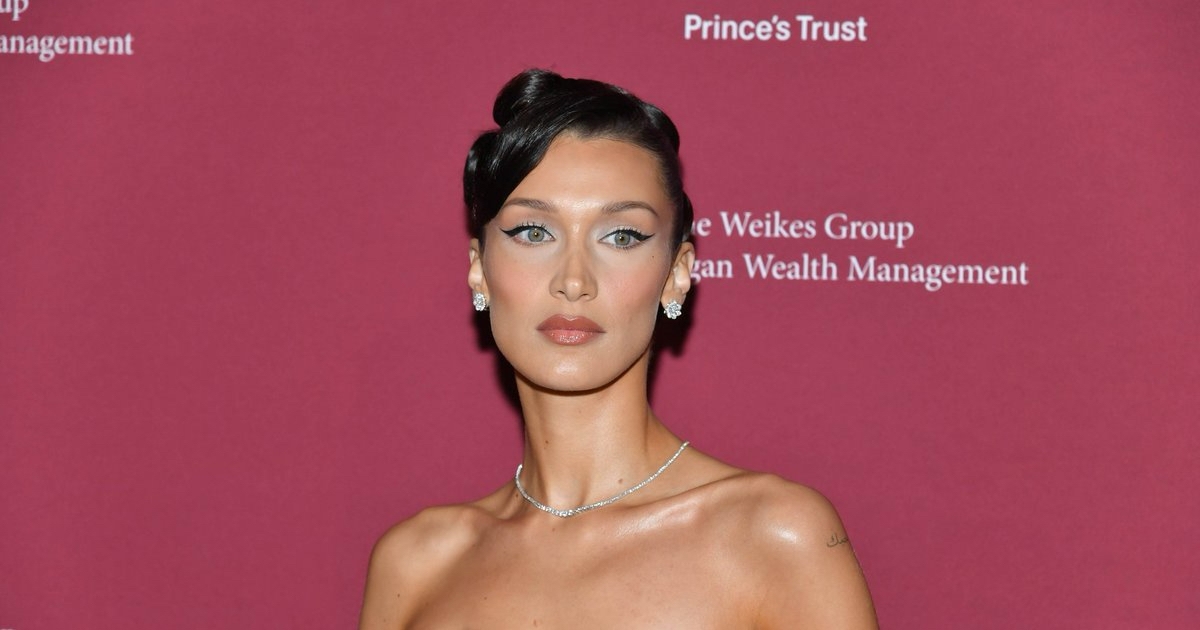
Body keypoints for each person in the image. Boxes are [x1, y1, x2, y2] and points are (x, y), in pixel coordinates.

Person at [359, 69, 878, 629]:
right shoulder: (416, 565)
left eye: (621, 236)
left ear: (676, 275)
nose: (573, 280)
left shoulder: (772, 538)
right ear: (479, 269)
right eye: (533, 232)